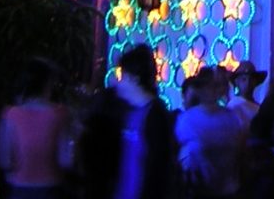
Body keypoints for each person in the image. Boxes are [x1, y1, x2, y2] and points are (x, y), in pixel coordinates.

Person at [0, 57, 72, 197]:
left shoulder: (11, 114)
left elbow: (5, 161)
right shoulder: (61, 114)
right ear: (49, 83)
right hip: (51, 188)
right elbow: (65, 159)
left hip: (18, 188)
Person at [113, 44, 172, 199]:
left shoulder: (156, 116)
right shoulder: (129, 112)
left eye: (122, 76)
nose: (118, 83)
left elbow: (159, 169)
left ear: (134, 78)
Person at [174, 69, 242, 198]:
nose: (213, 90)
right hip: (198, 191)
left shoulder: (230, 117)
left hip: (227, 190)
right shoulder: (187, 120)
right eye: (210, 86)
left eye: (216, 86)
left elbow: (238, 153)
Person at [226, 62, 265, 136]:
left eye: (252, 79)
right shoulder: (234, 106)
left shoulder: (259, 107)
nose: (248, 83)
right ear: (236, 82)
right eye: (244, 79)